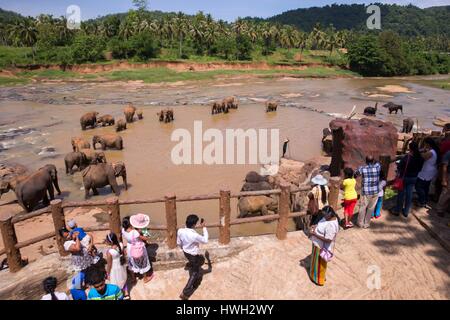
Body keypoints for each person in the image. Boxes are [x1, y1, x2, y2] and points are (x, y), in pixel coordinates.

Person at [177, 214, 211, 300]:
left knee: (196, 261)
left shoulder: (180, 231)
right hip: (193, 255)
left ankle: (191, 265)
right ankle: (185, 292)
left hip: (186, 252)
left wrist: (183, 248)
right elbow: (205, 240)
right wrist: (204, 227)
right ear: (194, 225)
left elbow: (179, 243)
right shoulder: (194, 235)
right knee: (195, 273)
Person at [307, 206, 340, 286]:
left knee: (320, 264)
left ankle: (319, 280)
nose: (323, 216)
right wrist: (315, 227)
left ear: (330, 214)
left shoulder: (331, 225)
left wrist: (314, 234)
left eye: (325, 215)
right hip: (317, 244)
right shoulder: (327, 218)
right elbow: (321, 223)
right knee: (315, 261)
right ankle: (313, 275)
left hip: (321, 247)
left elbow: (328, 239)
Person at [393, 141, 424, 218]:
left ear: (410, 148)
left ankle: (397, 210)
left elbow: (399, 166)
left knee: (401, 194)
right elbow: (420, 168)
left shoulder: (407, 157)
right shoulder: (420, 157)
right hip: (414, 177)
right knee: (409, 194)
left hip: (405, 177)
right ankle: (406, 211)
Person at [121, 215, 154, 283]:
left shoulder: (123, 231)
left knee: (131, 263)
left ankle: (133, 278)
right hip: (138, 248)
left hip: (130, 248)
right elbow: (145, 238)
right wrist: (144, 231)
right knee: (142, 263)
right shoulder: (135, 232)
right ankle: (145, 278)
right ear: (130, 224)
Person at [355, 156, 381, 228]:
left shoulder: (362, 168)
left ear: (366, 161)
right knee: (371, 208)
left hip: (366, 191)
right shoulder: (377, 167)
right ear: (373, 161)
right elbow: (378, 162)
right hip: (375, 191)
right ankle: (367, 224)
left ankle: (360, 223)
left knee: (363, 207)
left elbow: (356, 174)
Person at [416, 137, 440, 208]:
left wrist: (421, 151)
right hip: (430, 171)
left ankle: (422, 201)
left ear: (428, 144)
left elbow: (423, 157)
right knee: (425, 187)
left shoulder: (431, 152)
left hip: (426, 172)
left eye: (425, 144)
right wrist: (424, 150)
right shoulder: (434, 151)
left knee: (418, 187)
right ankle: (424, 200)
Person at [105, 232, 129, 299]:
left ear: (111, 242)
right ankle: (126, 293)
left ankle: (119, 295)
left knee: (115, 281)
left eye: (107, 241)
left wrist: (108, 273)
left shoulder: (109, 252)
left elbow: (109, 264)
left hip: (114, 268)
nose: (106, 242)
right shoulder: (121, 244)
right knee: (123, 278)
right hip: (121, 265)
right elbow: (124, 253)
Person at [437, 150, 450, 217]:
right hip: (448, 175)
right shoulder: (448, 153)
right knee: (446, 193)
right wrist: (444, 179)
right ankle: (440, 209)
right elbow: (444, 167)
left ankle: (446, 208)